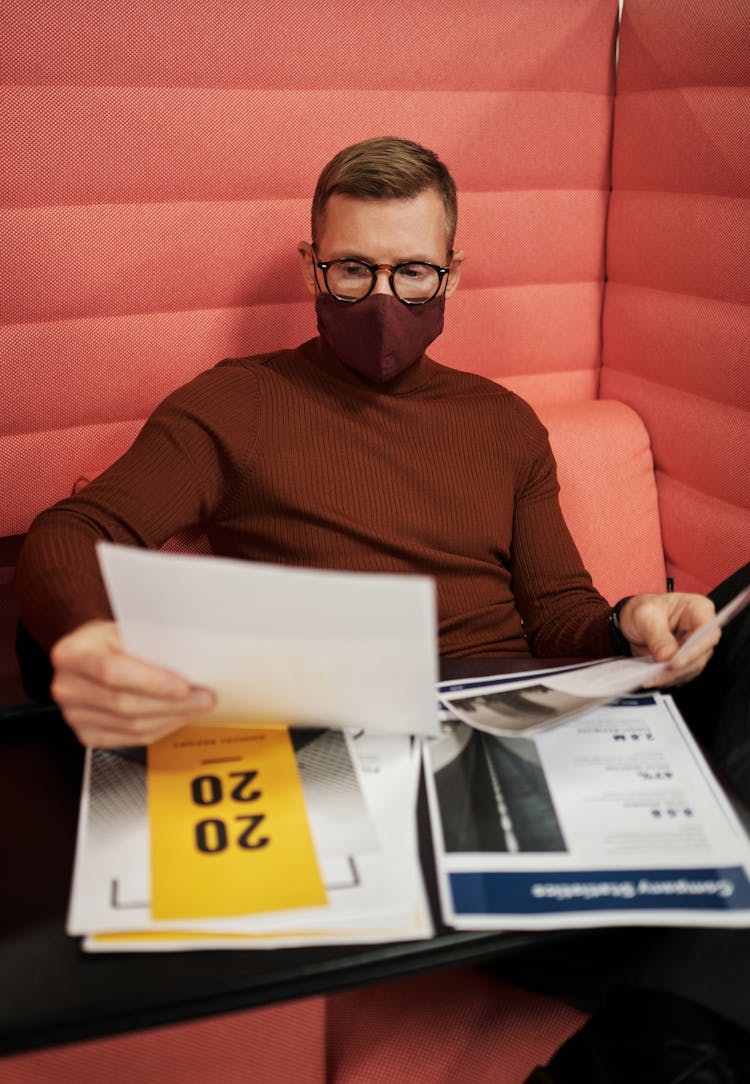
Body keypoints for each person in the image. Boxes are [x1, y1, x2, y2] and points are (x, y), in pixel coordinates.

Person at [12, 136, 749, 1079]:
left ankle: (660, 1027)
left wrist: (632, 618)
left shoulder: (502, 422)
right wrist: (87, 636)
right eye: (353, 269)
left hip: (533, 731)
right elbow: (76, 531)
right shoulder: (234, 404)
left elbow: (560, 609)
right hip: (363, 759)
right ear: (312, 265)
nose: (382, 303)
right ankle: (670, 1032)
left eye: (412, 272)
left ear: (453, 272)